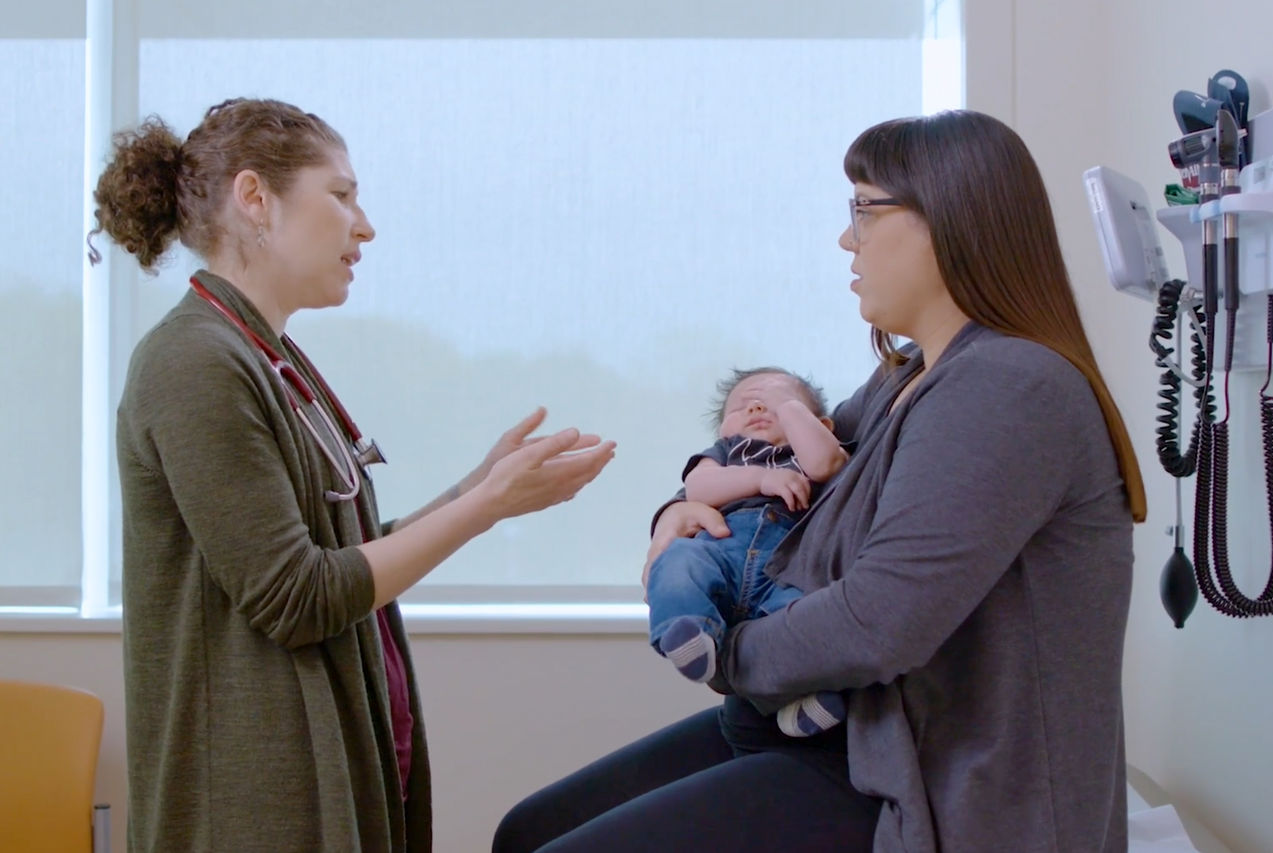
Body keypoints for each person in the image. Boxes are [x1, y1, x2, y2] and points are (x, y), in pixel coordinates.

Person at [491, 109, 1145, 853]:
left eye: (864, 209)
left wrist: (723, 650)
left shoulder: (1009, 387)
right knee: (528, 830)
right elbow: (780, 468)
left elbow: (877, 620)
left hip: (937, 784)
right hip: (855, 733)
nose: (847, 238)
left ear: (949, 218)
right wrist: (680, 509)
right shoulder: (905, 377)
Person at [88, 97, 615, 853]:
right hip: (248, 804)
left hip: (332, 763)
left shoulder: (267, 357)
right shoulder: (193, 363)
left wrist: (480, 489)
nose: (363, 225)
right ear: (254, 198)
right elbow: (297, 595)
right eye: (340, 194)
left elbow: (341, 560)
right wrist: (486, 506)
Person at [647, 366, 849, 737]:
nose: (757, 409)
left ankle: (803, 699)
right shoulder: (727, 453)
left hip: (787, 569)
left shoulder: (814, 453)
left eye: (774, 401)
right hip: (721, 552)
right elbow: (698, 489)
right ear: (724, 429)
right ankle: (688, 630)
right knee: (678, 562)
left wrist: (790, 413)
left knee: (801, 619)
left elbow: (826, 464)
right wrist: (760, 478)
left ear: (821, 423)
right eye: (744, 406)